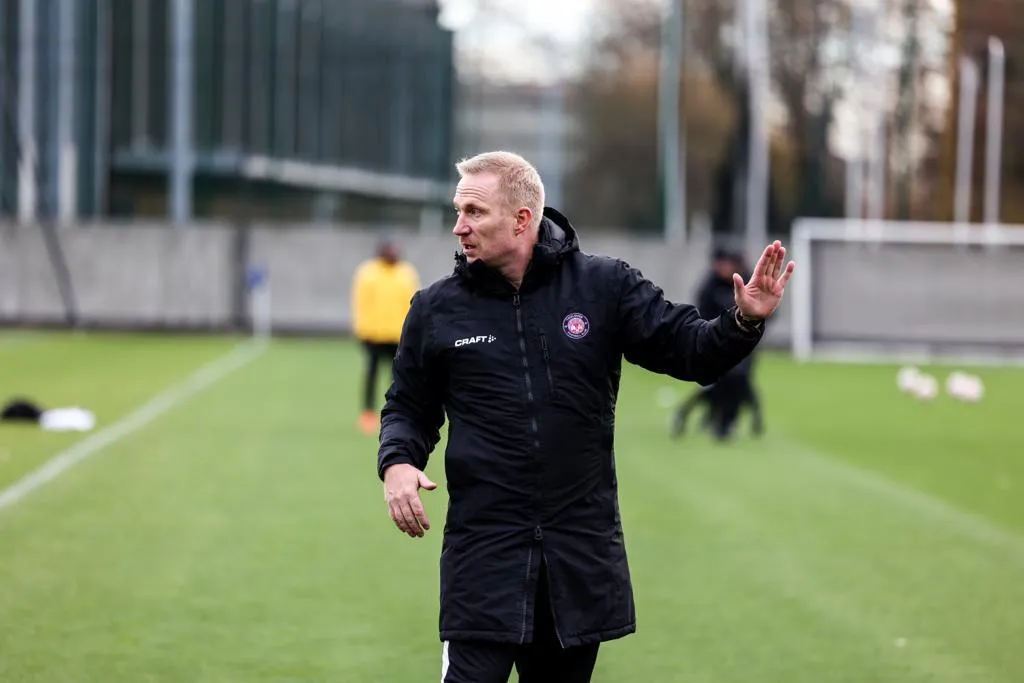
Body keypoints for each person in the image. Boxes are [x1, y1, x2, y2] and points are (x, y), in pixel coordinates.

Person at [376, 151, 795, 682]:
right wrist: (397, 463)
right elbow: (408, 407)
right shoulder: (436, 309)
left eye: (475, 213)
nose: (459, 227)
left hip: (577, 557)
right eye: (458, 211)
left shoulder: (603, 287)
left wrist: (742, 321)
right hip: (485, 555)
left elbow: (690, 349)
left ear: (522, 218)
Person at [670, 247, 765, 440]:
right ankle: (704, 417)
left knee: (739, 383)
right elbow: (701, 316)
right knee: (718, 385)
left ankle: (727, 423)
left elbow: (762, 312)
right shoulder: (709, 287)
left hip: (744, 343)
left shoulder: (747, 282)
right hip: (716, 343)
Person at [350, 235, 420, 435]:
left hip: (398, 336)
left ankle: (395, 414)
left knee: (398, 378)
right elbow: (361, 303)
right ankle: (368, 414)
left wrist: (412, 332)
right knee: (371, 374)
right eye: (390, 249)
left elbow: (413, 304)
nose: (393, 253)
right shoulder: (368, 273)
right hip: (373, 335)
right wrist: (362, 329)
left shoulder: (406, 273)